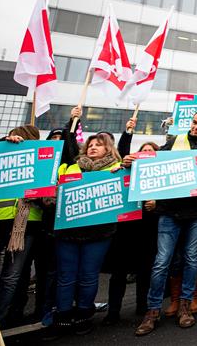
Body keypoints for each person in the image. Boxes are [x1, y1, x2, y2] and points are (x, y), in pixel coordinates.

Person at [132, 111, 197, 336]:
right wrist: (133, 160)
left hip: (196, 212)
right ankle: (152, 310)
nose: (196, 126)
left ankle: (185, 306)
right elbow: (154, 164)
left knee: (191, 258)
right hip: (169, 211)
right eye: (194, 122)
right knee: (162, 261)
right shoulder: (175, 140)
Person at [45, 133, 122, 338]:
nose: (93, 148)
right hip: (68, 231)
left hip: (99, 233)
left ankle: (83, 315)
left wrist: (122, 172)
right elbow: (50, 190)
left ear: (108, 149)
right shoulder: (70, 167)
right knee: (66, 276)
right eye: (90, 145)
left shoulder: (115, 169)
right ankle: (62, 316)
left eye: (99, 145)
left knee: (88, 276)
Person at [0, 126, 44, 341]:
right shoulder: (3, 153)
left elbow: (48, 193)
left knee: (10, 279)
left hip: (26, 226)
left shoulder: (43, 161)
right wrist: (4, 143)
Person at [101, 119, 160, 325]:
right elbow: (122, 150)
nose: (145, 153)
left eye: (150, 151)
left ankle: (142, 307)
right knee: (119, 273)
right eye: (142, 150)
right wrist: (128, 132)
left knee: (145, 271)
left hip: (149, 228)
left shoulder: (160, 178)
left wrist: (157, 204)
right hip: (125, 228)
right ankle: (113, 312)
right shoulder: (125, 171)